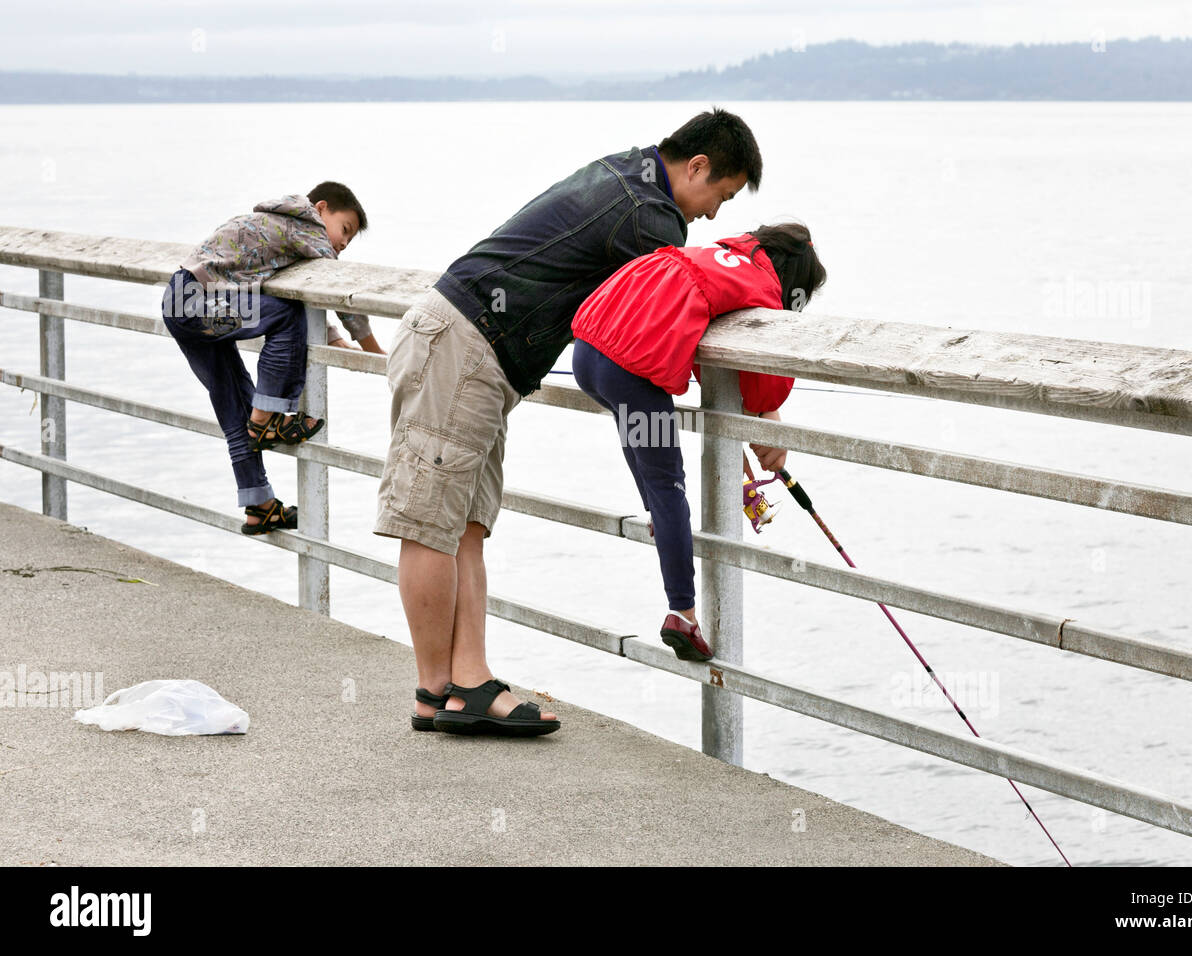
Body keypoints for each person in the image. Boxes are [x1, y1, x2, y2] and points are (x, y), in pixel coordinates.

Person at [375, 108, 763, 736]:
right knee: (428, 523)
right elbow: (657, 311)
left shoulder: (622, 171)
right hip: (463, 345)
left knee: (465, 524)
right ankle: (435, 688)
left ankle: (466, 683)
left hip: (474, 350)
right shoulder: (651, 215)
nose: (714, 215)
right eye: (719, 194)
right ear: (696, 166)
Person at [571, 223, 826, 660]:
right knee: (670, 485)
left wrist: (748, 420)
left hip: (588, 354)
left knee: (649, 465)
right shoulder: (763, 289)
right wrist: (770, 422)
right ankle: (684, 617)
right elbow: (766, 380)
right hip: (629, 371)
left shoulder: (714, 256)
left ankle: (660, 520)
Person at [161, 182, 381, 534]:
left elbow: (307, 298)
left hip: (180, 300)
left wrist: (334, 339)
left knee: (233, 400)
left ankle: (259, 505)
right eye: (345, 230)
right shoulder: (308, 227)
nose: (342, 243)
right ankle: (266, 418)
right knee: (286, 314)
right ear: (321, 208)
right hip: (198, 303)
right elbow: (336, 293)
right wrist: (375, 353)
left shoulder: (278, 222)